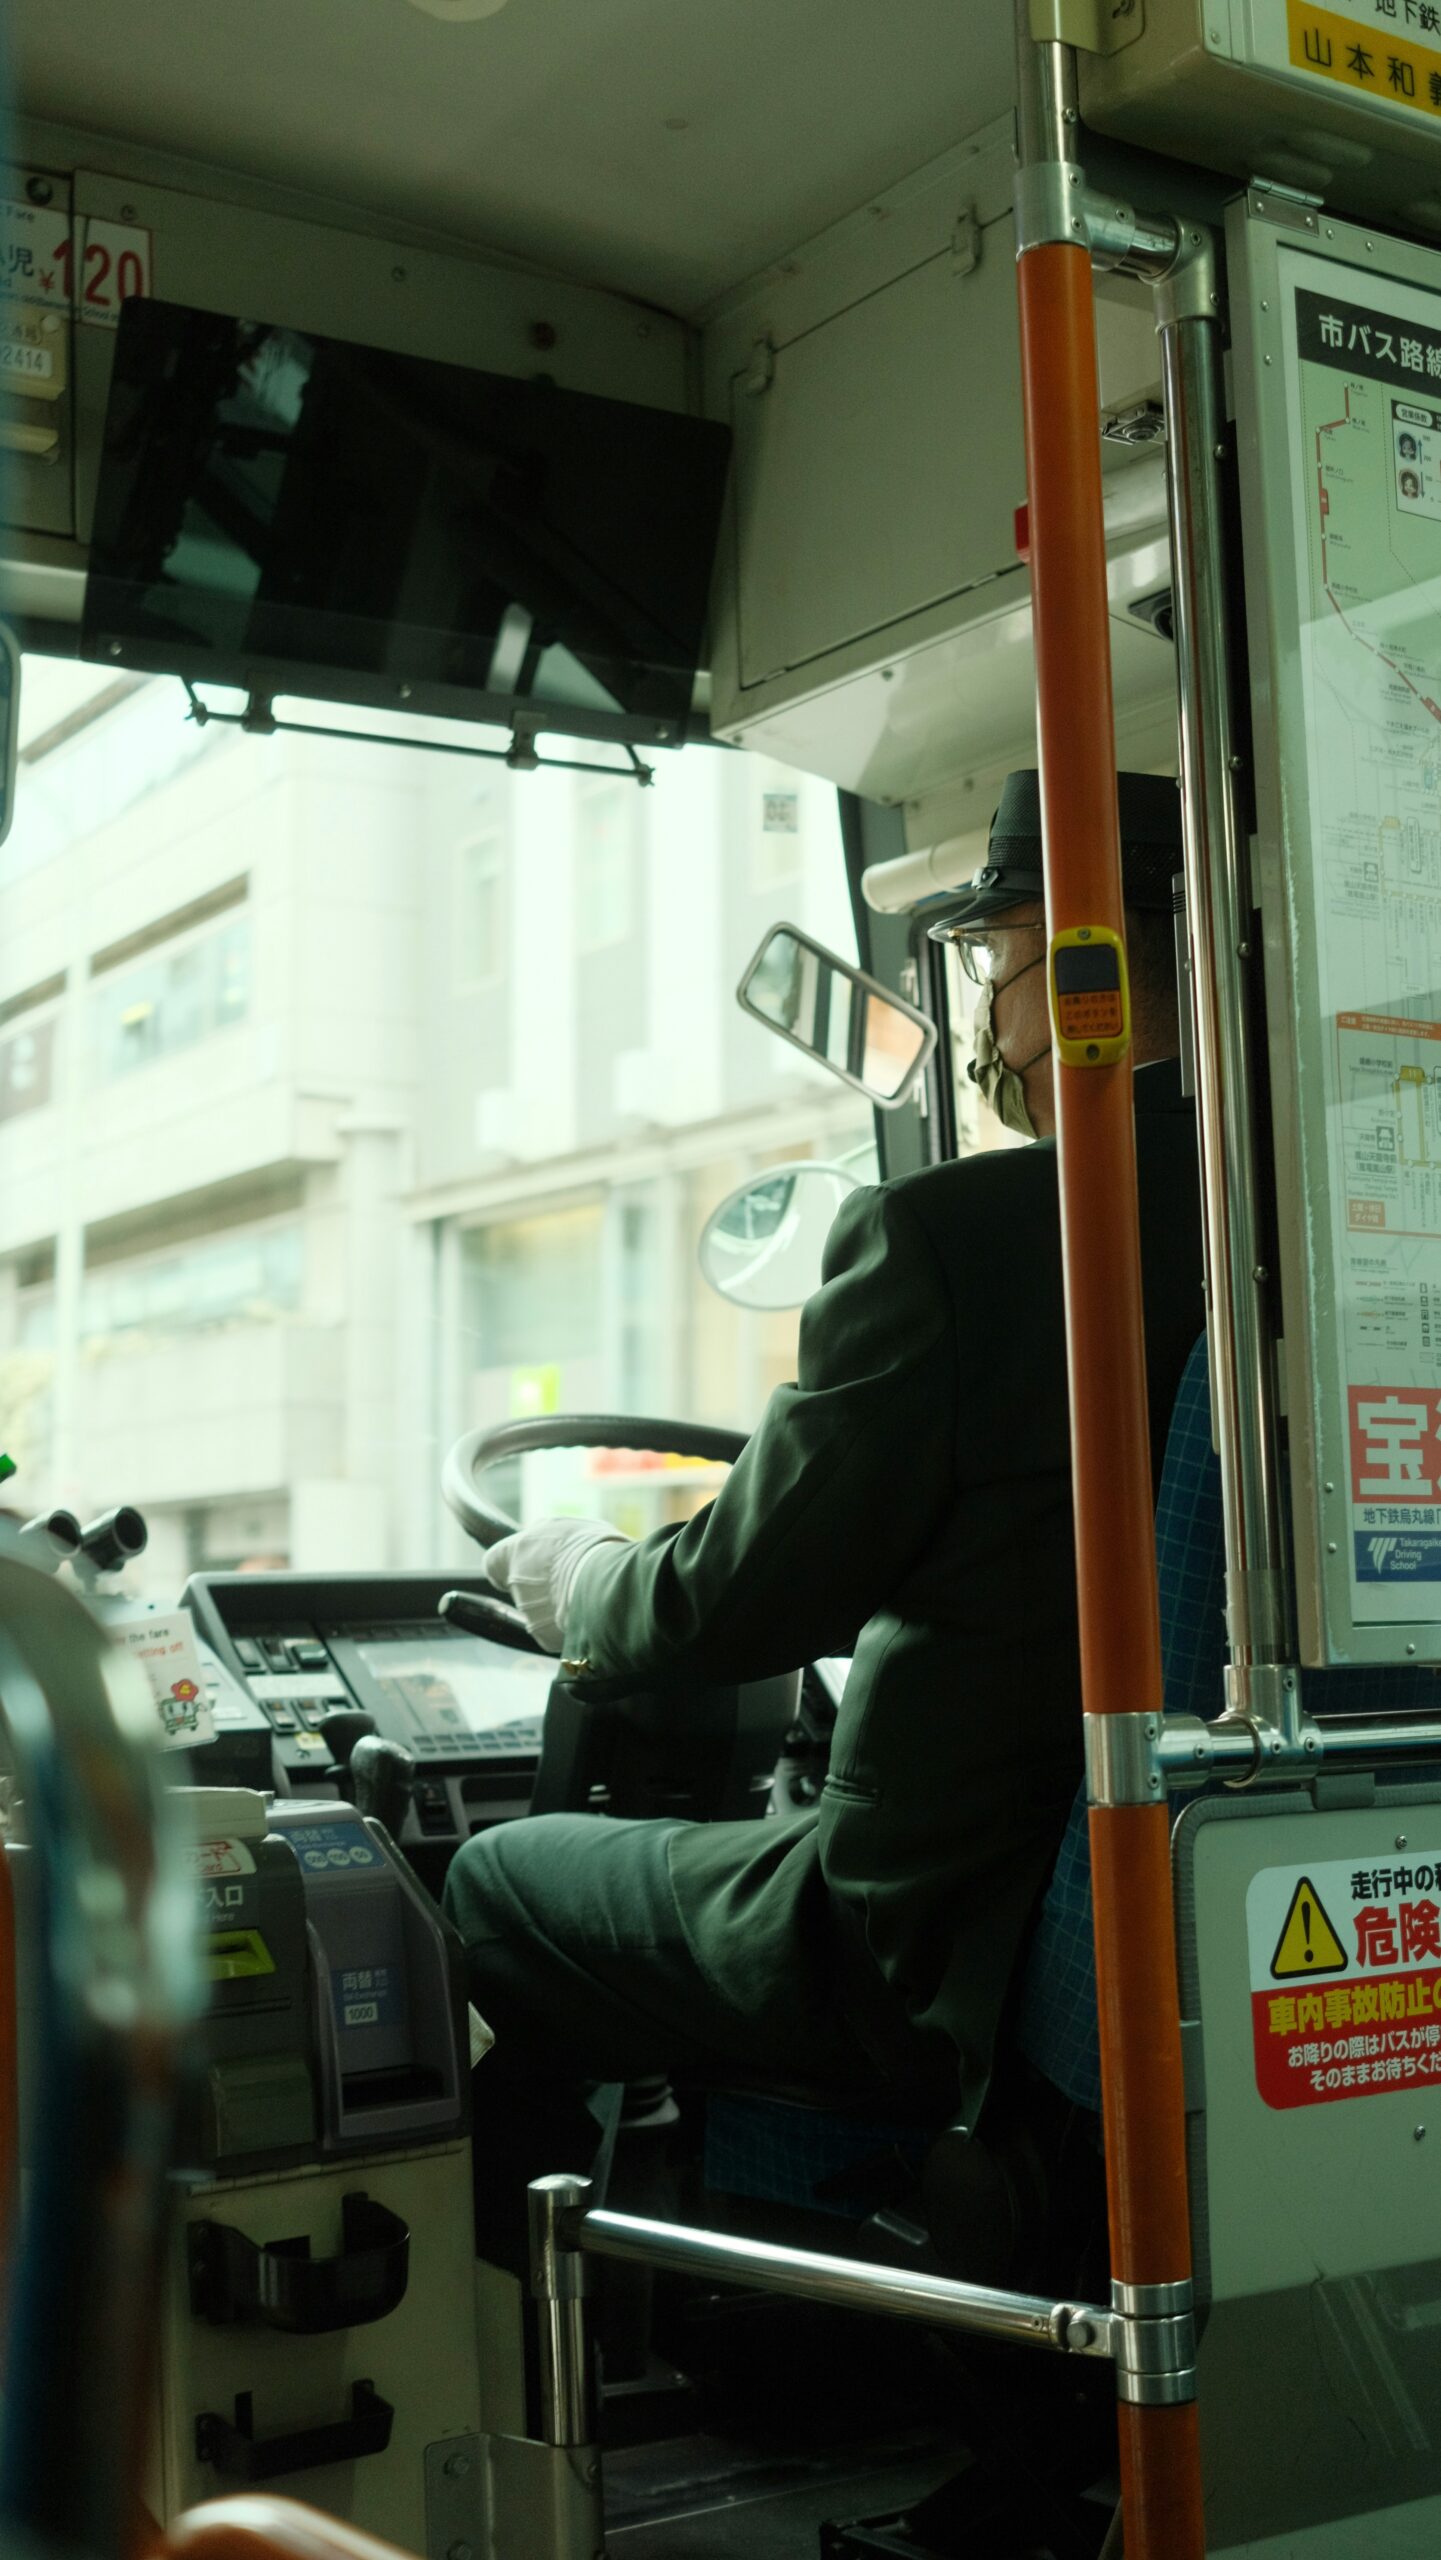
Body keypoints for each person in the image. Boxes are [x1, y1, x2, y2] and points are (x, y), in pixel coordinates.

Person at [443, 770, 1203, 2261]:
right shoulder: (1321, 1242)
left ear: (1079, 957)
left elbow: (725, 1608)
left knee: (498, 1879)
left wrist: (577, 1575)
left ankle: (521, 2391)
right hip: (1180, 1908)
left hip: (932, 1937)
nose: (993, 1020)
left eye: (997, 964)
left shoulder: (963, 1242)